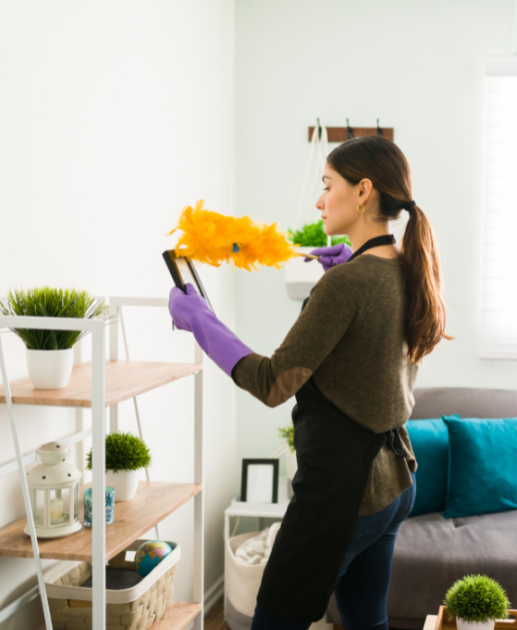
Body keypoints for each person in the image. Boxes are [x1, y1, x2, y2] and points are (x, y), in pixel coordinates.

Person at [168, 135, 451, 630]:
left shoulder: (348, 284)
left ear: (363, 192)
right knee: (368, 623)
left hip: (344, 496)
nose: (320, 201)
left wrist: (201, 322)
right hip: (393, 484)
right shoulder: (405, 268)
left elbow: (274, 382)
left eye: (327, 186)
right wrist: (348, 265)